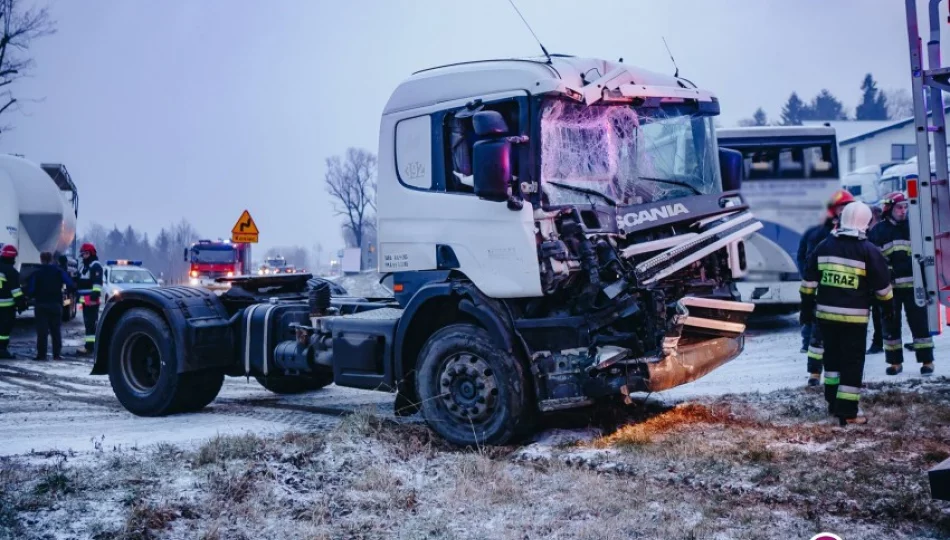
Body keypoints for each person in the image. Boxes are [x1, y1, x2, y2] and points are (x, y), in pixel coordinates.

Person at [800, 201, 895, 425]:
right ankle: (849, 412)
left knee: (831, 361)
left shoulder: (823, 246)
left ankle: (833, 404)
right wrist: (888, 309)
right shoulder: (868, 251)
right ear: (865, 222)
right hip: (854, 320)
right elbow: (883, 288)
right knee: (852, 364)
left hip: (826, 318)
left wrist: (805, 310)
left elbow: (808, 284)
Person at [868, 192, 936, 376]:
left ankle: (927, 361)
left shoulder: (915, 228)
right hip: (890, 289)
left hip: (915, 286)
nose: (903, 211)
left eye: (906, 207)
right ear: (889, 208)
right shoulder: (877, 232)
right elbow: (874, 259)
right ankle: (895, 363)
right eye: (899, 207)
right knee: (890, 326)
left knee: (920, 325)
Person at [796, 189, 855, 385]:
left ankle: (843, 373)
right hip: (824, 293)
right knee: (818, 336)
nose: (844, 211)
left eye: (847, 207)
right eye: (841, 207)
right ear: (832, 210)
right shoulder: (818, 233)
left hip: (848, 292)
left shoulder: (859, 233)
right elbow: (807, 261)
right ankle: (814, 373)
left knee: (846, 337)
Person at [25, 252, 75, 360]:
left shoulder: (36, 273)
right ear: (52, 259)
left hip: (41, 305)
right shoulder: (58, 271)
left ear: (41, 259)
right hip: (55, 305)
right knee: (55, 331)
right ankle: (56, 355)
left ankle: (41, 355)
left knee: (42, 332)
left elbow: (31, 290)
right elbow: (70, 284)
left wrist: (30, 296)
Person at [76, 243, 103, 355]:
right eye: (82, 254)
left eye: (84, 254)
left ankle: (90, 347)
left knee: (91, 325)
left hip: (91, 301)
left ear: (89, 253)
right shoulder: (85, 266)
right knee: (88, 324)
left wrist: (94, 297)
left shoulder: (95, 266)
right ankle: (90, 346)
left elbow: (97, 284)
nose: (83, 256)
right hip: (85, 300)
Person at [0, 244, 27, 359]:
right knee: (4, 330)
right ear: (12, 258)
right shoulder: (12, 272)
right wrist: (21, 304)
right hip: (6, 307)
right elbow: (16, 291)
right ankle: (2, 350)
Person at [866, 204, 885, 354]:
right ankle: (879, 341)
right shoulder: (870, 232)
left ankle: (878, 342)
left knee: (879, 313)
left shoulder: (877, 233)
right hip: (875, 280)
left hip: (880, 280)